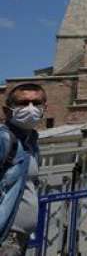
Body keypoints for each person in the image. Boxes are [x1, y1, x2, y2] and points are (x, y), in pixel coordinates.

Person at [0, 84, 46, 256]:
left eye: (36, 103)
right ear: (8, 110)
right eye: (23, 103)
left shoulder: (31, 142)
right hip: (6, 236)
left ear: (44, 108)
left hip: (20, 237)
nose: (30, 108)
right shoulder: (4, 139)